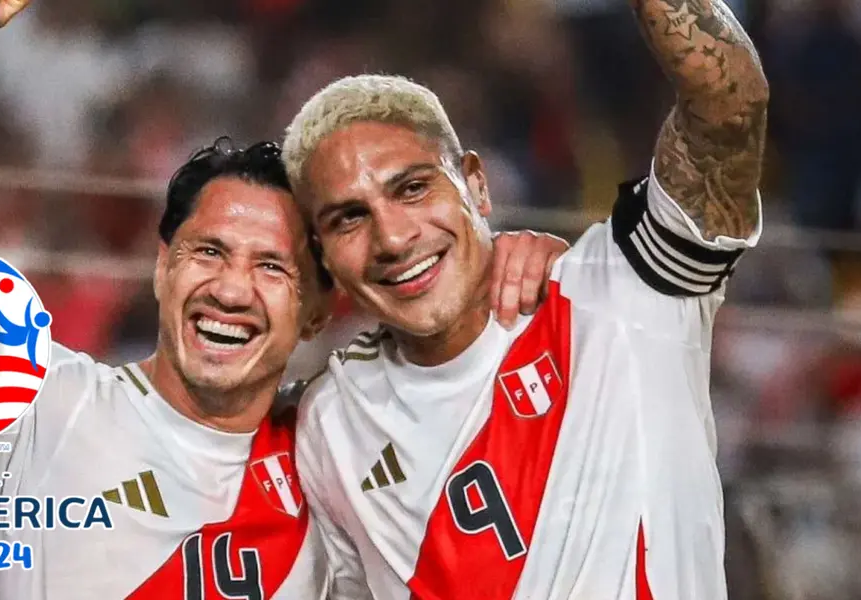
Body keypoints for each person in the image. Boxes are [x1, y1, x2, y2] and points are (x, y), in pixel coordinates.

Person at [0, 0, 569, 597]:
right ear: (163, 266)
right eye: (209, 251)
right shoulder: (42, 404)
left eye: (272, 267)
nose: (231, 289)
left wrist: (525, 264)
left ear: (314, 309)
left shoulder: (336, 443)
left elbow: (463, 357)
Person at [284, 0, 767, 597]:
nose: (393, 237)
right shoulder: (327, 419)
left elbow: (728, 109)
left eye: (412, 189)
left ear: (477, 184)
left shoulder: (621, 288)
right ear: (323, 254)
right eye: (348, 219)